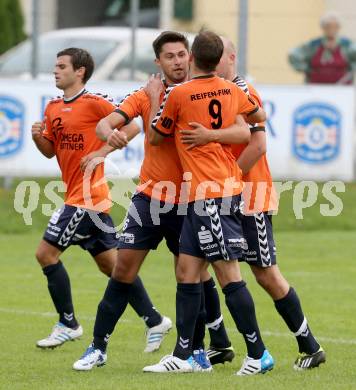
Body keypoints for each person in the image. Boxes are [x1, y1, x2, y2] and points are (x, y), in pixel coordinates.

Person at [72, 31, 248, 371]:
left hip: (190, 202)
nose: (178, 61)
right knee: (123, 269)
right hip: (150, 198)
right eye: (170, 56)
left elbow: (161, 131)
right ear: (158, 62)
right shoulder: (144, 94)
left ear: (192, 57)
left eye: (182, 54)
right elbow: (106, 124)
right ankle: (97, 347)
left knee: (193, 276)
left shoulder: (196, 93)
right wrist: (111, 135)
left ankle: (199, 351)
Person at [181, 36, 326, 371]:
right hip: (218, 195)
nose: (210, 63)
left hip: (248, 196)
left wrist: (229, 178)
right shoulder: (208, 91)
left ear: (231, 58)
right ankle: (214, 345)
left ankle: (309, 344)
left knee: (264, 274)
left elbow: (257, 144)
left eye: (218, 58)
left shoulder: (242, 91)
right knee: (197, 267)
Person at [143, 31, 274, 376]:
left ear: (192, 59)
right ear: (218, 60)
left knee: (228, 274)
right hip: (199, 195)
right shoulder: (232, 90)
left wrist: (156, 98)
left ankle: (258, 354)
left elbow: (157, 136)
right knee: (187, 270)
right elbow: (255, 120)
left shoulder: (181, 93)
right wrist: (229, 114)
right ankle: (187, 355)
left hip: (213, 195)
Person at [32, 47, 170, 352]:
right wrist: (37, 137)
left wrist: (111, 144)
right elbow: (50, 150)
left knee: (45, 254)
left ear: (79, 71)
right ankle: (154, 319)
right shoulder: (53, 107)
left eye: (61, 66)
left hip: (86, 198)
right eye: (55, 66)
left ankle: (68, 323)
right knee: (117, 268)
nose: (55, 71)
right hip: (80, 196)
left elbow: (134, 123)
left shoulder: (96, 103)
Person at [289, 12, 356, 84]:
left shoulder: (347, 44)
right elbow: (293, 54)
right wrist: (306, 69)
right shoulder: (314, 44)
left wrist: (351, 69)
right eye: (328, 26)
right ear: (323, 28)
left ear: (339, 27)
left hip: (342, 88)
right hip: (315, 88)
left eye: (335, 26)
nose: (331, 29)